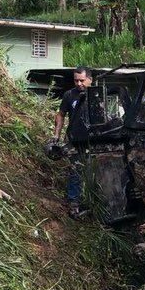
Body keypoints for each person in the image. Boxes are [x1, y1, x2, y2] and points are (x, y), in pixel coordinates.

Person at [52, 67, 93, 219]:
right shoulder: (69, 95)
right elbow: (61, 114)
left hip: (94, 140)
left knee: (94, 171)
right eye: (76, 80)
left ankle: (94, 202)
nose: (79, 84)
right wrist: (56, 135)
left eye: (82, 80)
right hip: (74, 139)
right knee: (75, 170)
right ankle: (74, 203)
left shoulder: (97, 94)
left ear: (90, 80)